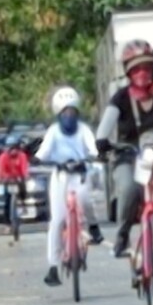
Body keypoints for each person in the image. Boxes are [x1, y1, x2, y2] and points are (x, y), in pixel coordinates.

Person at [95, 40, 153, 305]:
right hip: (128, 158)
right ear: (128, 73)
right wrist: (102, 143)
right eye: (136, 69)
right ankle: (122, 235)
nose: (142, 74)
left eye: (146, 68)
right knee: (127, 189)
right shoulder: (120, 99)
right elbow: (105, 128)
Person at [34, 86, 101, 287]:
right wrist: (38, 159)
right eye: (65, 112)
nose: (69, 115)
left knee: (86, 200)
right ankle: (53, 267)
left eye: (72, 111)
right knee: (57, 220)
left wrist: (91, 158)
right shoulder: (53, 132)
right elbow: (43, 153)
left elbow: (94, 149)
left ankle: (94, 227)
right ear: (58, 114)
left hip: (80, 174)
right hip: (60, 176)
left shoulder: (84, 130)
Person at [0, 134, 29, 224]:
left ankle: (23, 203)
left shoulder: (22, 156)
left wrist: (25, 176)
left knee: (23, 189)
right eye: (11, 148)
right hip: (7, 179)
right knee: (7, 198)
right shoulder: (3, 157)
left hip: (18, 179)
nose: (13, 150)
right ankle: (7, 219)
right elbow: (0, 169)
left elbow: (24, 168)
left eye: (15, 148)